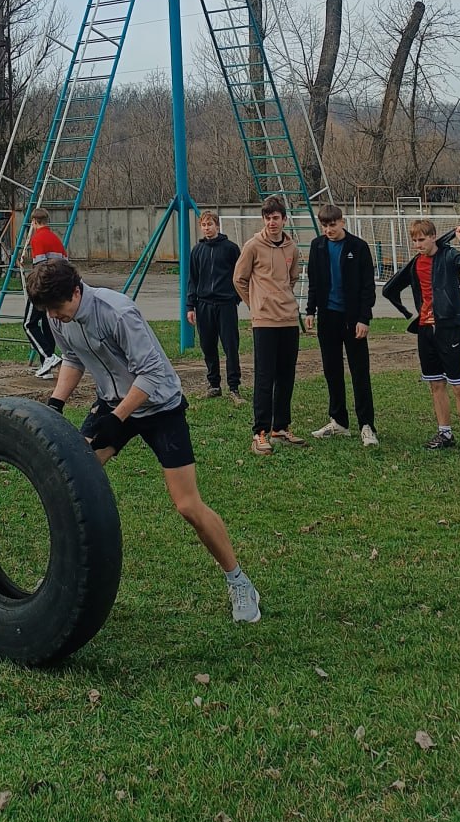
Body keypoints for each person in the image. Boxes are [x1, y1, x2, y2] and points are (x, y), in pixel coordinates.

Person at [26, 258, 261, 624]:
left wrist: (116, 419)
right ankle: (62, 578)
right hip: (112, 403)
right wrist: (56, 402)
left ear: (76, 291)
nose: (53, 316)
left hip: (159, 406)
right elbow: (72, 358)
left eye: (57, 307)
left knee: (187, 506)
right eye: (47, 310)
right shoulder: (58, 316)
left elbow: (151, 373)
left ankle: (239, 581)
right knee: (70, 484)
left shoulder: (117, 313)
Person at [381, 219, 460, 456]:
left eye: (422, 239)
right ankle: (445, 433)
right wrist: (407, 312)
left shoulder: (449, 256)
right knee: (435, 383)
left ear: (433, 237)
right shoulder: (415, 263)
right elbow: (390, 289)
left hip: (448, 328)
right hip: (425, 330)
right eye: (414, 240)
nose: (418, 244)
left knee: (459, 386)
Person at [233, 196, 305, 456]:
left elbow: (292, 278)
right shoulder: (253, 246)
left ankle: (281, 427)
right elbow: (239, 279)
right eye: (267, 218)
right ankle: (260, 432)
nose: (272, 222)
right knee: (265, 376)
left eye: (276, 218)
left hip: (288, 319)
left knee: (286, 375)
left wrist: (282, 299)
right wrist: (256, 304)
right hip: (264, 321)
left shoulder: (292, 248)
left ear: (284, 219)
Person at [304, 205, 378, 446]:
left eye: (332, 225)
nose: (329, 230)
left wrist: (364, 318)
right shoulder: (317, 246)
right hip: (328, 318)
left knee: (359, 372)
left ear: (342, 222)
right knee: (332, 370)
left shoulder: (358, 247)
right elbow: (313, 281)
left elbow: (368, 286)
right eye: (325, 226)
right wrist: (310, 310)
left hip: (353, 319)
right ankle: (338, 422)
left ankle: (367, 425)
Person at [186, 210, 243, 403]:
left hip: (226, 304)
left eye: (210, 224)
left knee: (230, 346)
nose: (207, 228)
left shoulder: (230, 249)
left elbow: (240, 275)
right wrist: (190, 306)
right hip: (204, 305)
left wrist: (236, 297)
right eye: (203, 225)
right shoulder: (197, 251)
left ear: (217, 225)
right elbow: (193, 279)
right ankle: (214, 385)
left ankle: (234, 387)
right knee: (208, 346)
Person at [22, 207, 68, 378]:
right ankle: (46, 368)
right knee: (47, 325)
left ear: (34, 222)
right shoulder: (56, 239)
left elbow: (40, 267)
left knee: (29, 324)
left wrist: (34, 287)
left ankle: (48, 356)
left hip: (42, 288)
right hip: (56, 287)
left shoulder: (37, 239)